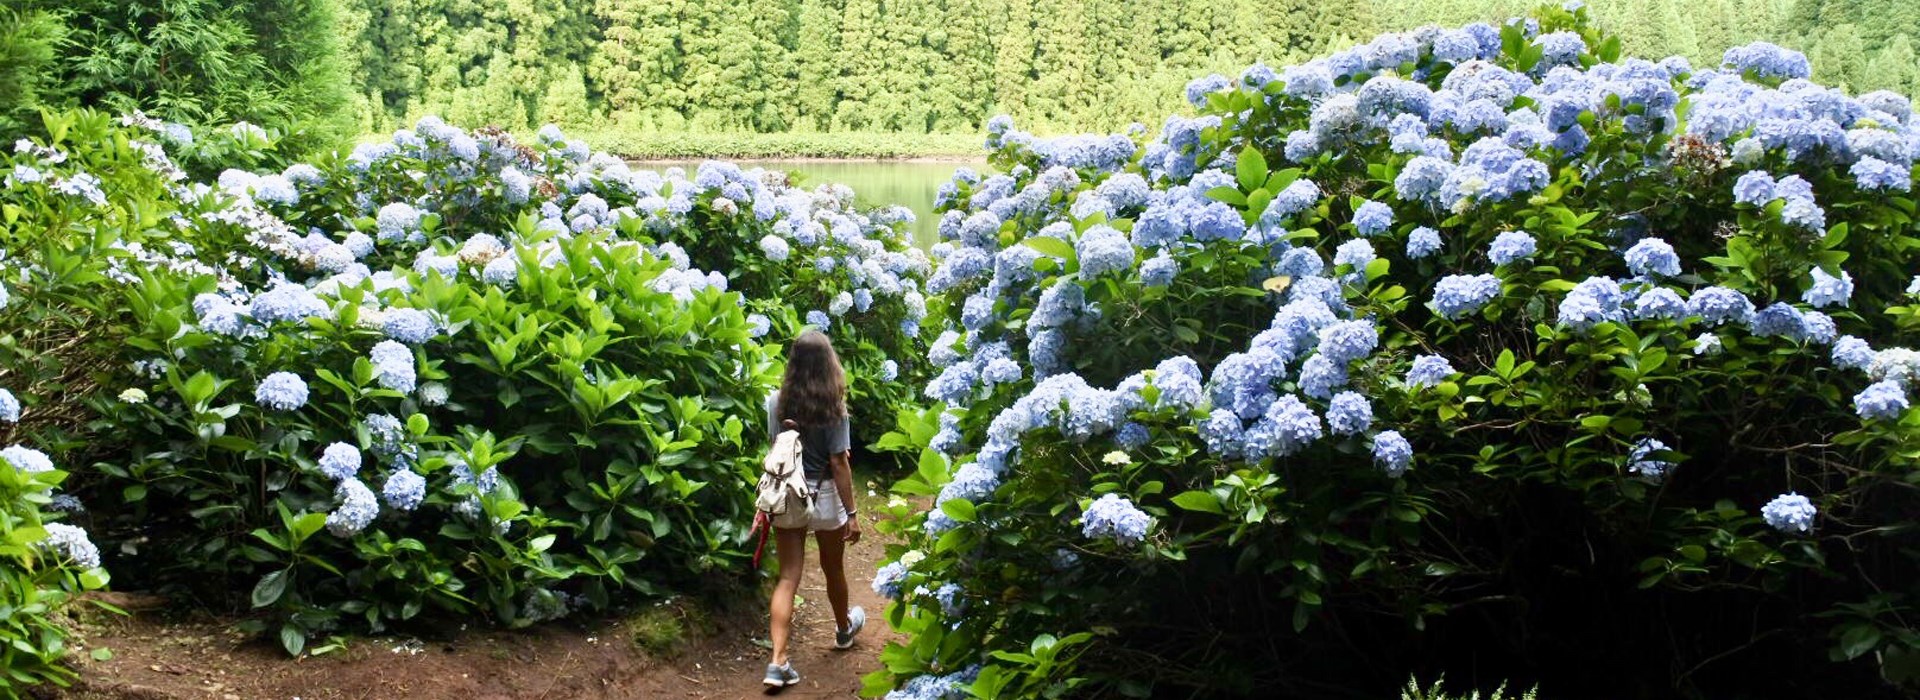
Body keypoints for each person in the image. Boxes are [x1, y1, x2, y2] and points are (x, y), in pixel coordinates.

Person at [762, 329, 864, 689]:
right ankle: (842, 630)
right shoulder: (834, 407)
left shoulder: (776, 402)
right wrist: (851, 514)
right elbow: (839, 463)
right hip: (822, 495)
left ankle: (777, 662)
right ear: (828, 364)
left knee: (788, 576)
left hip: (787, 495)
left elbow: (776, 451)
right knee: (832, 567)